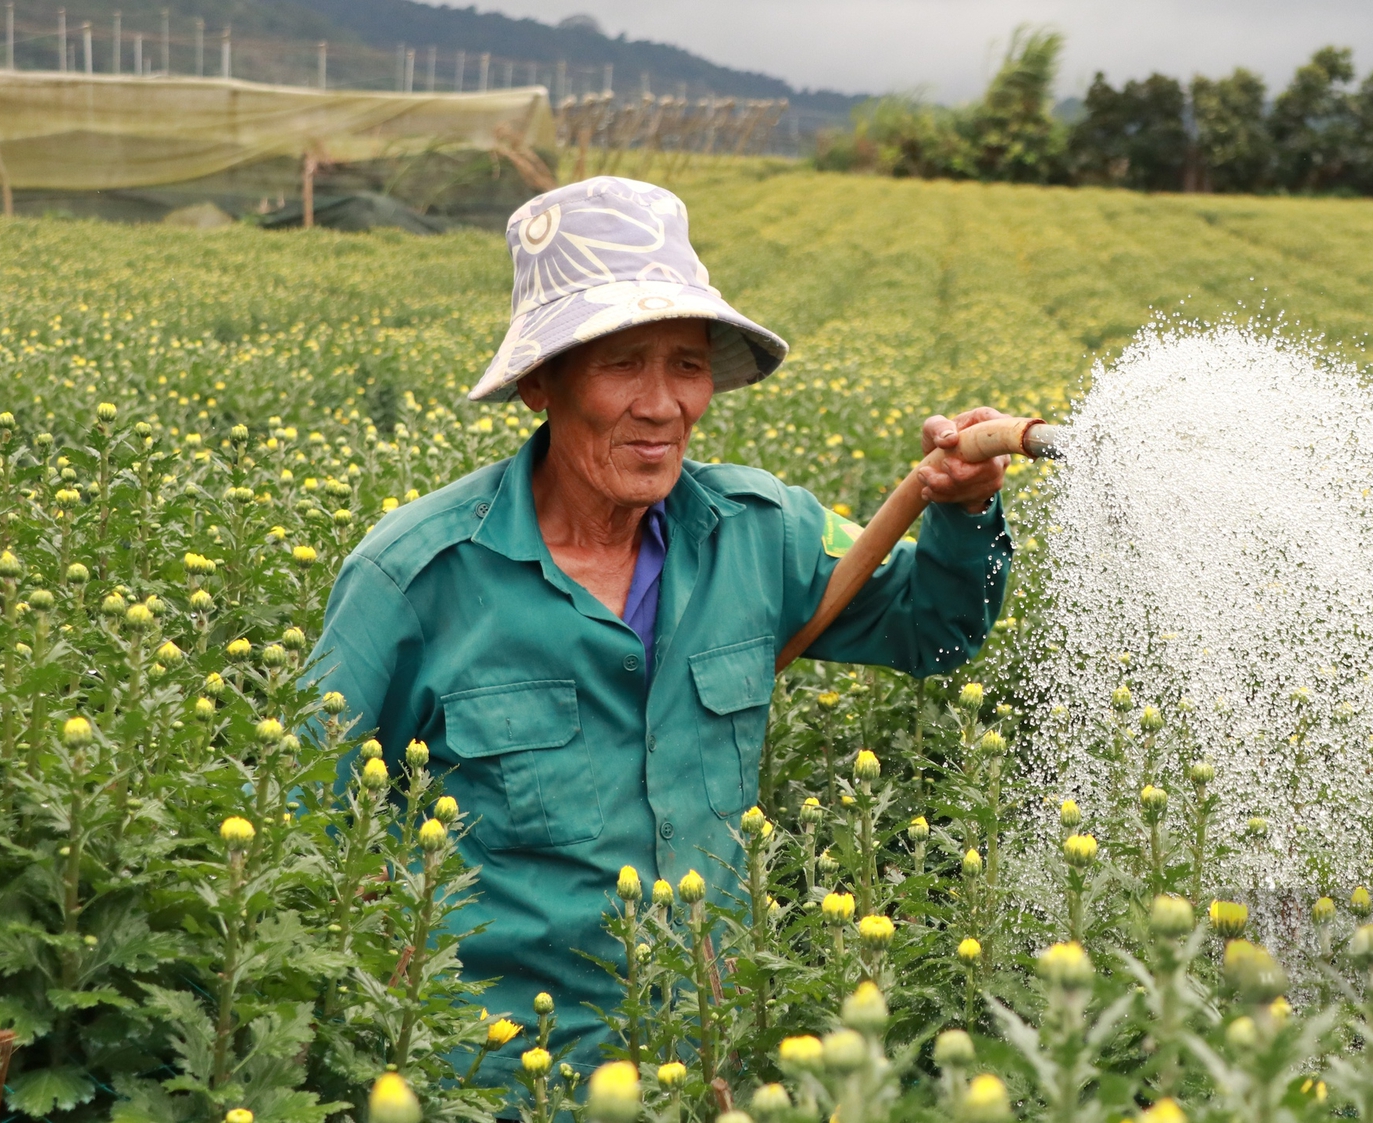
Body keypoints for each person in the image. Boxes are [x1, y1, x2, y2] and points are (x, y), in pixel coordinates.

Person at [306, 177, 1012, 1080]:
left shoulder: (762, 533)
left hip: (702, 1069)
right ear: (539, 383)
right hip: (497, 1081)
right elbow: (305, 825)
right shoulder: (415, 576)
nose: (661, 403)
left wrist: (962, 510)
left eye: (686, 363)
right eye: (619, 363)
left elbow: (936, 630)